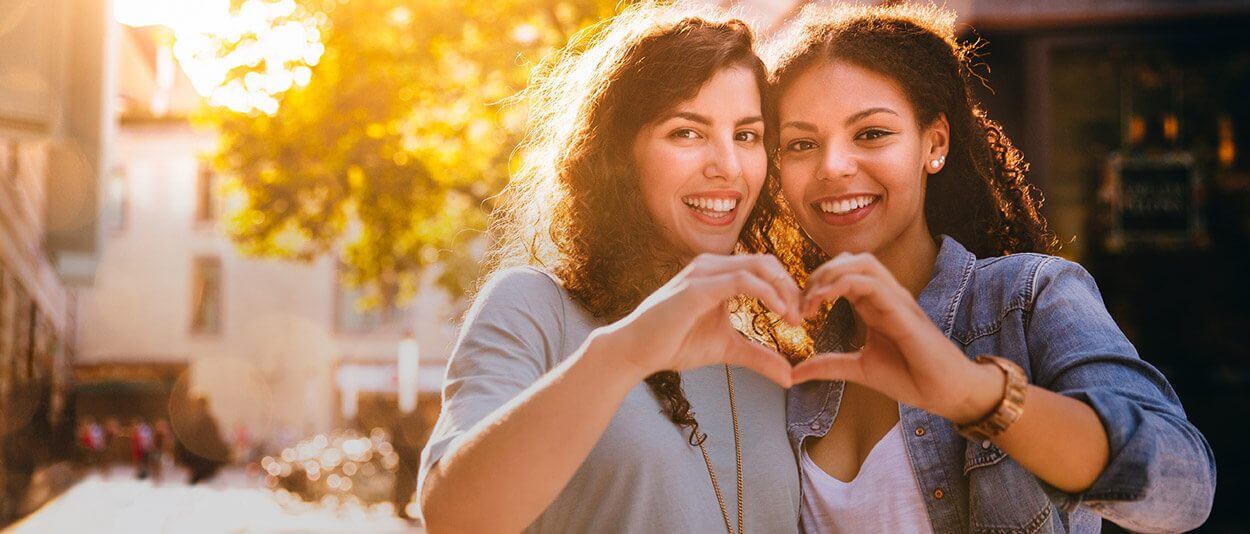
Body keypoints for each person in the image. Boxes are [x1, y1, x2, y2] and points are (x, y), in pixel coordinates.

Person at [753, 4, 1217, 532]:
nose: (832, 165)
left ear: (935, 143)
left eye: (872, 134)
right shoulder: (799, 364)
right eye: (801, 144)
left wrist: (977, 395)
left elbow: (1184, 489)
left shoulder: (1029, 298)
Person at [418, 3, 803, 532]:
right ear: (619, 156)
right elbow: (454, 516)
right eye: (686, 133)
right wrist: (624, 353)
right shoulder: (535, 309)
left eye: (747, 135)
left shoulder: (772, 351)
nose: (728, 166)